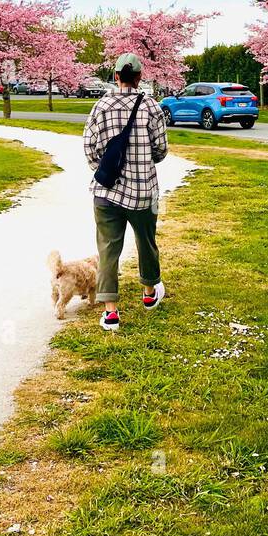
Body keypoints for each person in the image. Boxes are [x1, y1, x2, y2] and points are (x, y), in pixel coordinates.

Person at [83, 52, 168, 331]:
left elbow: (90, 149)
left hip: (106, 193)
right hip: (143, 192)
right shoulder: (151, 107)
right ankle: (148, 294)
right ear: (140, 77)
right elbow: (161, 150)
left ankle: (110, 312)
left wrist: (108, 168)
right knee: (146, 241)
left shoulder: (100, 106)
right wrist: (142, 161)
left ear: (116, 76)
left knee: (108, 249)